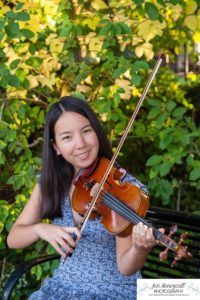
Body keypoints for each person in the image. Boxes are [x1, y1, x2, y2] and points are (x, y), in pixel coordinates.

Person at [7, 96, 158, 300]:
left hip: (111, 293)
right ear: (56, 147)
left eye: (86, 131)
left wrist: (140, 249)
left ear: (96, 132)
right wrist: (39, 228)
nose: (81, 144)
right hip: (61, 289)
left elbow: (126, 267)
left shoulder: (124, 189)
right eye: (67, 137)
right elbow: (13, 239)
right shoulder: (50, 184)